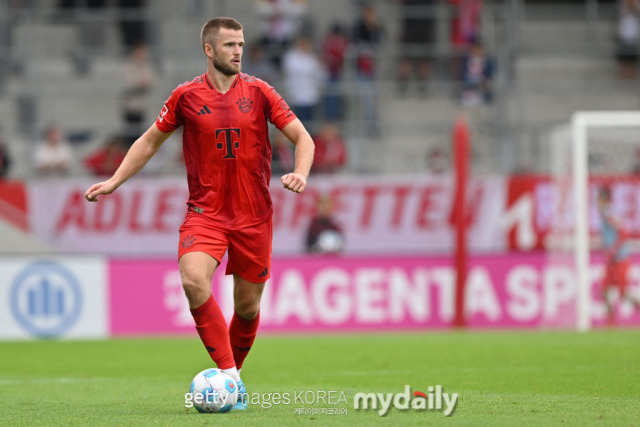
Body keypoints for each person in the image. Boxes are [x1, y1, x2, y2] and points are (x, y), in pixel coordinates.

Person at [84, 17, 314, 410]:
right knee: (193, 281)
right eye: (229, 45)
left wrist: (301, 172)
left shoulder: (260, 92)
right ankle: (229, 377)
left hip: (254, 216)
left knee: (247, 307)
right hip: (205, 213)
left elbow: (302, 136)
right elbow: (149, 141)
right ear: (209, 50)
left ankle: (230, 380)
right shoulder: (185, 96)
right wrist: (115, 181)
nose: (238, 51)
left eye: (240, 44)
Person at [597, 187, 640, 325]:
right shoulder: (606, 213)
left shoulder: (608, 213)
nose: (596, 202)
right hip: (613, 260)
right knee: (604, 290)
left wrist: (613, 250)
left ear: (604, 199)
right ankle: (610, 324)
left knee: (623, 293)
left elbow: (623, 233)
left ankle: (610, 324)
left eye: (598, 199)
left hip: (620, 258)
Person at [616, 0, 640, 79]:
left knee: (633, 59)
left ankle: (633, 77)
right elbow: (622, 11)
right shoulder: (622, 4)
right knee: (623, 59)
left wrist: (634, 6)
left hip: (633, 36)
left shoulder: (637, 5)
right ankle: (622, 77)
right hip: (624, 36)